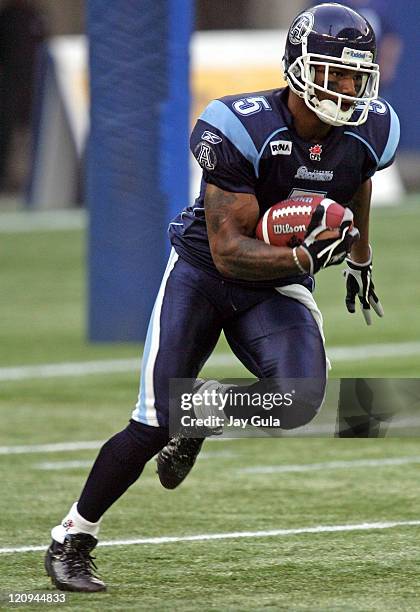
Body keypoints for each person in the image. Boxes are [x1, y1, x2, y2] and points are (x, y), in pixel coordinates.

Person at [45, 3, 399, 592]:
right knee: (154, 420)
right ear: (297, 67)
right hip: (205, 272)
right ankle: (72, 537)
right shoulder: (239, 124)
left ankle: (202, 412)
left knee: (300, 397)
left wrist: (358, 257)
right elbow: (230, 248)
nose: (345, 89)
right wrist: (305, 258)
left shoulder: (373, 129)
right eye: (333, 73)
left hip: (276, 285)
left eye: (355, 77)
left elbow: (356, 174)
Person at [0, 0, 47, 191]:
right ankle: (8, 178)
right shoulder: (7, 17)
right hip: (11, 83)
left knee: (35, 130)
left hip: (36, 82)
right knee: (8, 132)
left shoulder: (35, 15)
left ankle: (34, 180)